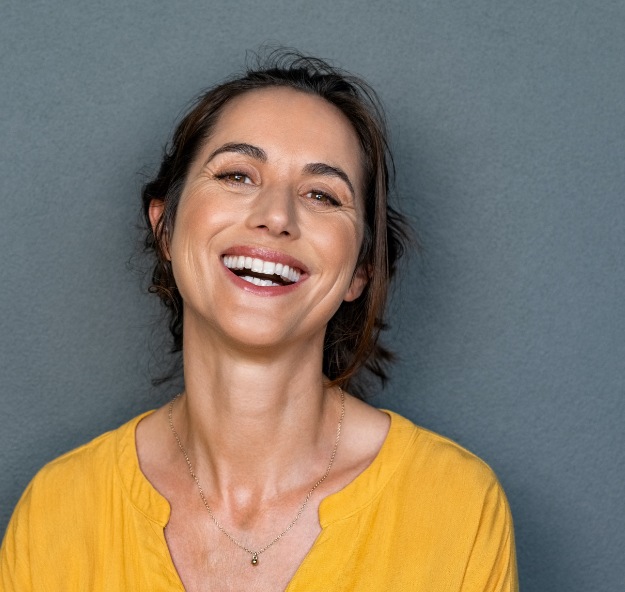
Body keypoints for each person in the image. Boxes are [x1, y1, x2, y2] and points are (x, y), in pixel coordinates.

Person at [0, 50, 518, 591]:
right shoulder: (56, 512)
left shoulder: (456, 506)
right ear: (166, 228)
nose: (276, 215)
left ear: (360, 271)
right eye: (238, 175)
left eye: (322, 194)